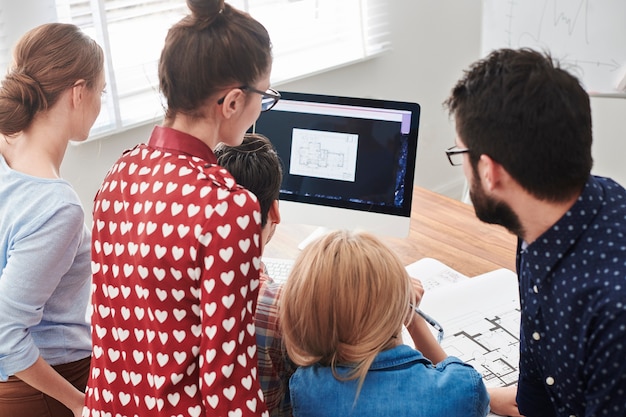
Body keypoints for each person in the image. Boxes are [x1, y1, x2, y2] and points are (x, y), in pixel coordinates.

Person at [83, 0, 277, 416]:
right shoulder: (229, 208)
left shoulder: (121, 172)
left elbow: (115, 330)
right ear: (232, 102)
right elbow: (229, 379)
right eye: (265, 95)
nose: (263, 107)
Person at [443, 47, 626, 417]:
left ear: (490, 172)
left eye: (460, 154)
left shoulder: (614, 312)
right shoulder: (542, 218)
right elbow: (537, 362)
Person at [0, 23, 105, 417]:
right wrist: (79, 405)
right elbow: (7, 333)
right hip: (47, 385)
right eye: (101, 92)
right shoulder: (57, 207)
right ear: (79, 93)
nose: (100, 104)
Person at [279, 229, 490, 417]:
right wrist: (412, 316)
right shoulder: (463, 387)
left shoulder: (306, 388)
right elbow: (461, 387)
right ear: (402, 306)